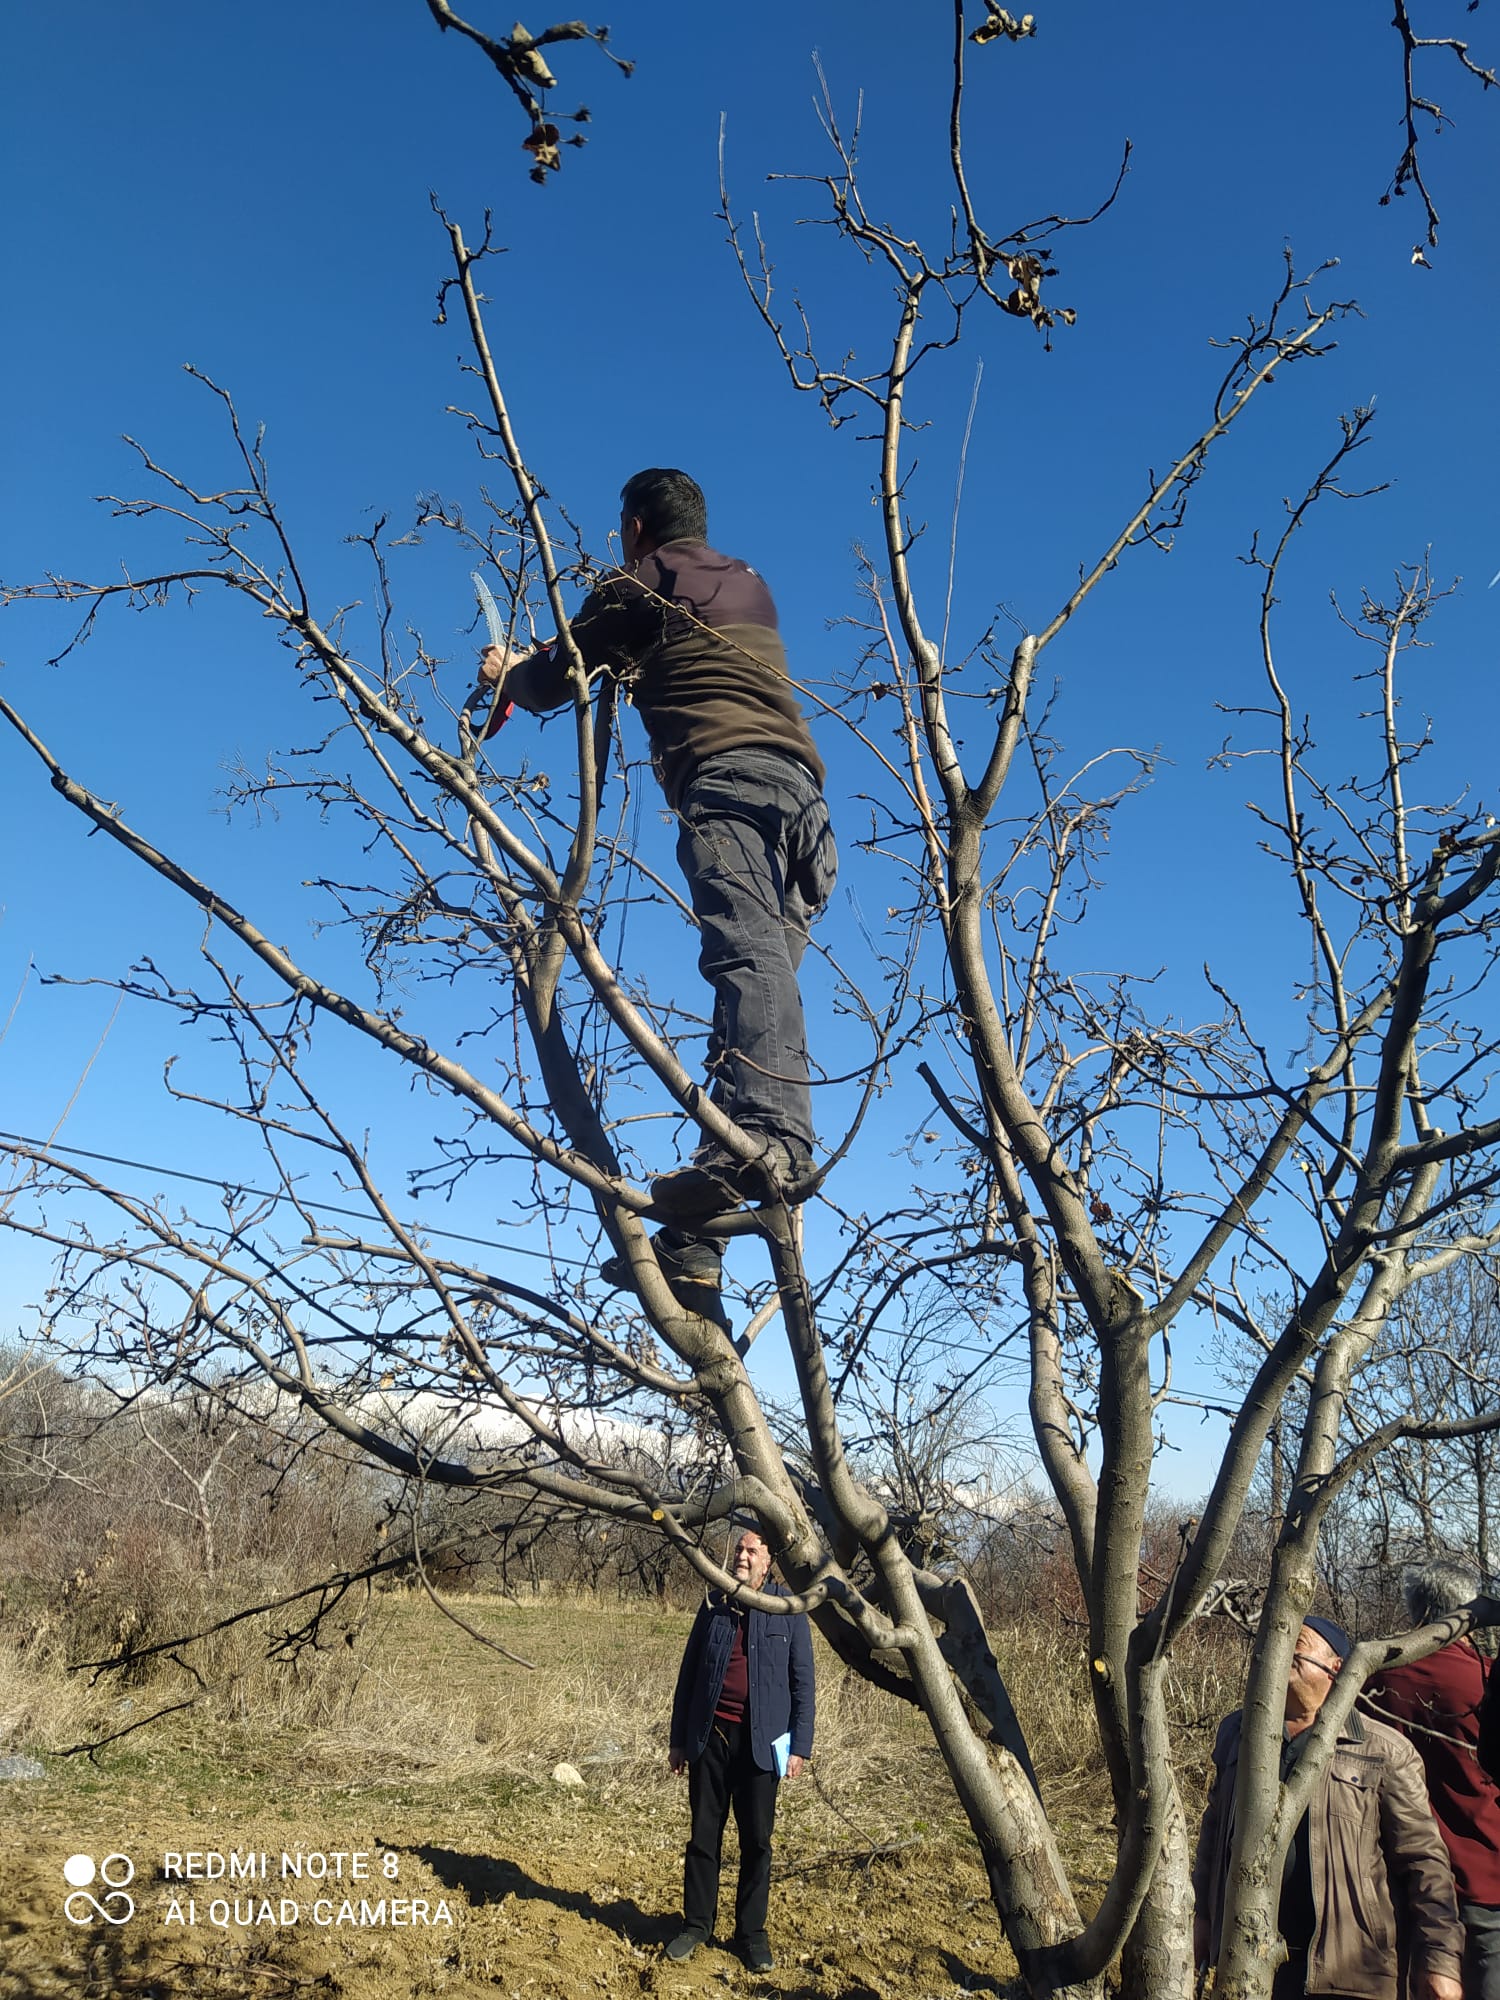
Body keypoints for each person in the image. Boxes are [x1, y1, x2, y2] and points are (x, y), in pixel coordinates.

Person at [476, 467, 836, 1324]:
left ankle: (775, 1144)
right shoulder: (745, 581)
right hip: (807, 809)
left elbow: (560, 676)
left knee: (743, 963)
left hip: (730, 785)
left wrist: (509, 672)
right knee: (750, 1010)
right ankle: (694, 1247)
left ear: (636, 527)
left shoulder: (646, 580)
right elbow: (634, 653)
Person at [1192, 1615, 1464, 2000]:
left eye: (1296, 1643)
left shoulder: (1381, 1750)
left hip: (1351, 1970)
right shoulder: (1238, 1733)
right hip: (1247, 1958)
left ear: (1336, 1667)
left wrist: (1440, 1960)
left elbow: (1424, 1862)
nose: (1280, 1651)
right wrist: (1203, 1917)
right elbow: (1214, 1830)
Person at [664, 1526, 815, 1972]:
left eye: (752, 1551)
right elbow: (688, 1675)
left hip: (761, 1747)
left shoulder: (787, 1610)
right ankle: (696, 1925)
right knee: (703, 1838)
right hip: (710, 1738)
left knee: (757, 1843)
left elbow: (802, 1683)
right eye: (739, 1549)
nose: (742, 1557)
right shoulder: (714, 1604)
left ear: (768, 1562)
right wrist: (678, 1740)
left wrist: (799, 1745)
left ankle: (750, 1935)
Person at [1363, 1561, 1500, 1999]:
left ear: (1415, 1613)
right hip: (1484, 1880)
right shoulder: (1485, 1679)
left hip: (1401, 1882)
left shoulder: (1374, 1680)